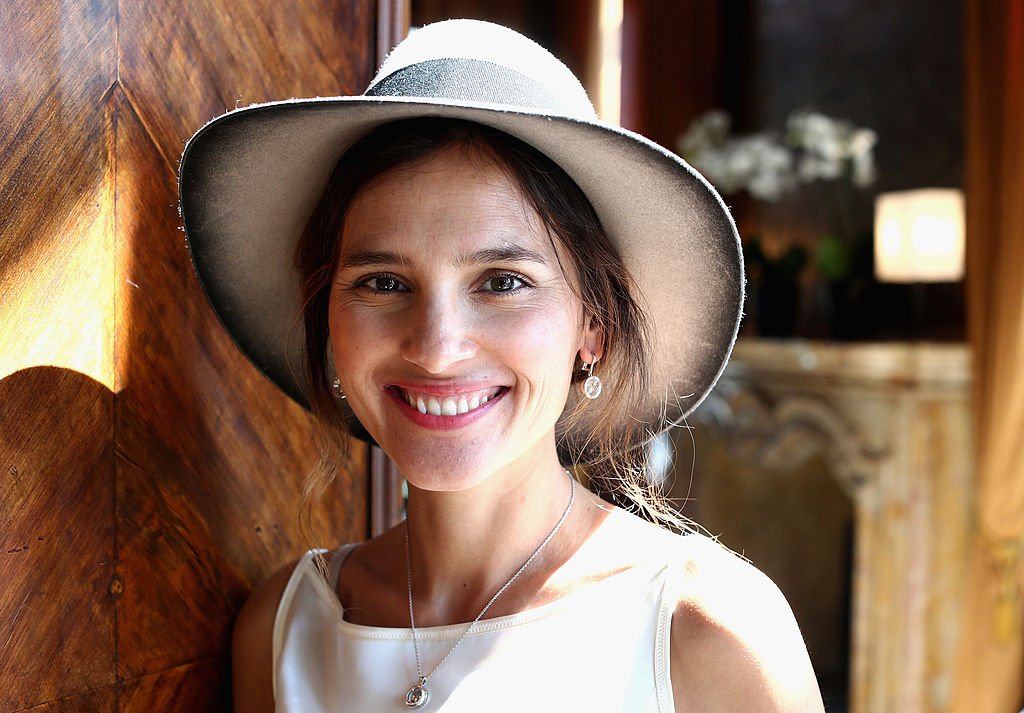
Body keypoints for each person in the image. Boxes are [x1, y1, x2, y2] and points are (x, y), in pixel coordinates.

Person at [178, 19, 825, 713]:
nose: (436, 345)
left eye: (503, 281)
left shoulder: (706, 633)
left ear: (593, 327)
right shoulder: (280, 631)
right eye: (384, 282)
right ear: (329, 323)